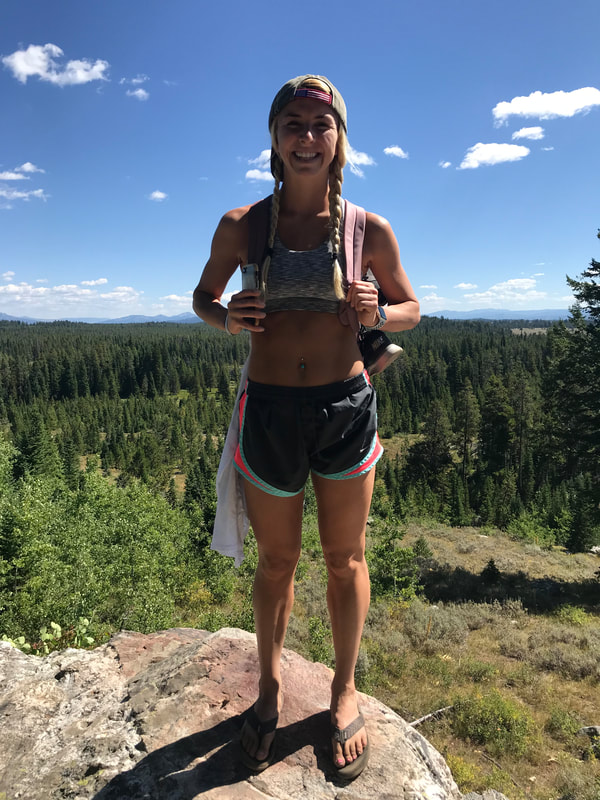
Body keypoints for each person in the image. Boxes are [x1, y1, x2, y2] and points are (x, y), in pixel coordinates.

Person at [192, 74, 420, 779]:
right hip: (268, 411)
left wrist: (378, 311)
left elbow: (412, 309)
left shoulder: (367, 230)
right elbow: (203, 296)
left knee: (345, 558)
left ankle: (343, 688)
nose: (307, 137)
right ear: (274, 137)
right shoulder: (242, 226)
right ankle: (269, 689)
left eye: (322, 125)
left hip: (343, 409)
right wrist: (225, 316)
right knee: (277, 562)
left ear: (339, 140)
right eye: (293, 123)